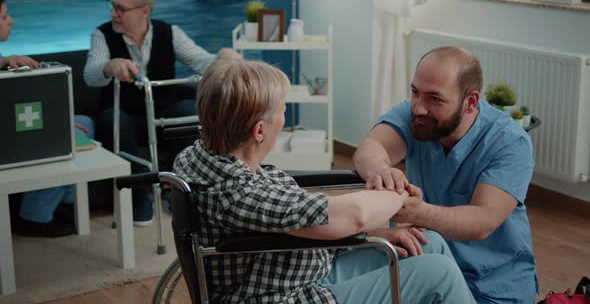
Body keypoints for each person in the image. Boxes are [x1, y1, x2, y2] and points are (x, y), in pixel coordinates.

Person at [173, 59, 476, 303]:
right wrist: (400, 192)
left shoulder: (197, 156)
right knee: (439, 273)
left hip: (296, 268)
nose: (284, 116)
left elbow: (298, 222)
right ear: (260, 131)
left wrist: (379, 230)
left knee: (427, 243)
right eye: (282, 110)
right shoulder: (237, 193)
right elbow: (353, 216)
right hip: (287, 295)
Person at [353, 46, 538, 303]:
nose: (419, 107)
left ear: (470, 102)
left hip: (492, 283)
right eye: (415, 92)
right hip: (428, 261)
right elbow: (371, 147)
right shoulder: (415, 115)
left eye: (435, 99)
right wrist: (381, 169)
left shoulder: (509, 142)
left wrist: (418, 213)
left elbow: (482, 221)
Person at [83, 0, 242, 226]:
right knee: (113, 120)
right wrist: (109, 66)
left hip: (161, 109)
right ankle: (140, 195)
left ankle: (180, 192)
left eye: (121, 9)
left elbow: (203, 62)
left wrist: (224, 58)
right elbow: (90, 75)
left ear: (144, 11)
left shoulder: (169, 33)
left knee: (191, 111)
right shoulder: (101, 35)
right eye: (112, 6)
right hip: (124, 113)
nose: (114, 13)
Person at [0, 0, 95, 237]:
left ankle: (62, 203)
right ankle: (35, 216)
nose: (10, 21)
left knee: (83, 123)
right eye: (3, 16)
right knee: (70, 132)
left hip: (15, 131)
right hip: (9, 139)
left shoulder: (5, 60)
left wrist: (58, 120)